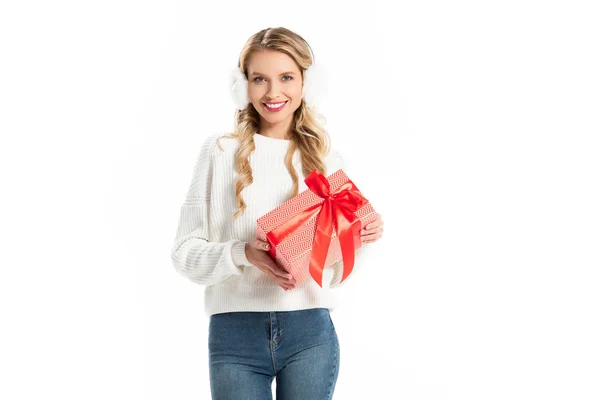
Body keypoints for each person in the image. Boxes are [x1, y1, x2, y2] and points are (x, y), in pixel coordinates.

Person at [171, 26, 384, 400]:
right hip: (234, 333)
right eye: (259, 79)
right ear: (243, 86)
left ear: (306, 83)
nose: (273, 93)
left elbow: (332, 276)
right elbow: (184, 254)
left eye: (286, 77)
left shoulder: (327, 161)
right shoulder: (219, 153)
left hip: (310, 334)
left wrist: (360, 238)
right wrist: (242, 253)